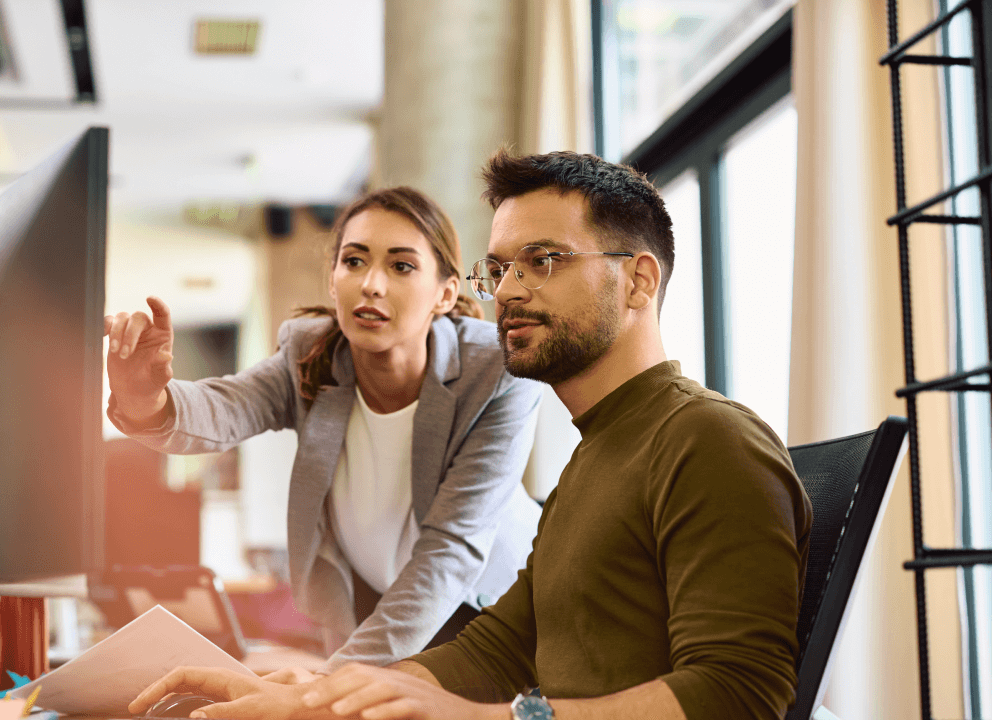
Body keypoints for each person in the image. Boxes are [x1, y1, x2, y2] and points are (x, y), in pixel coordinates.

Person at [128, 151, 813, 720]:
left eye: (542, 260)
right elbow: (500, 648)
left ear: (637, 281)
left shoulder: (708, 438)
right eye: (503, 267)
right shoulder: (593, 456)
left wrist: (507, 717)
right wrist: (321, 698)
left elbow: (741, 693)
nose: (510, 290)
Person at [105, 186, 544, 671]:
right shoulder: (310, 355)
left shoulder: (496, 372)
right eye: (354, 261)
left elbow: (451, 549)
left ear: (443, 294)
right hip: (369, 607)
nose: (371, 284)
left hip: (488, 612)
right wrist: (146, 398)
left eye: (401, 266)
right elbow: (225, 407)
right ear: (333, 281)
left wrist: (329, 680)